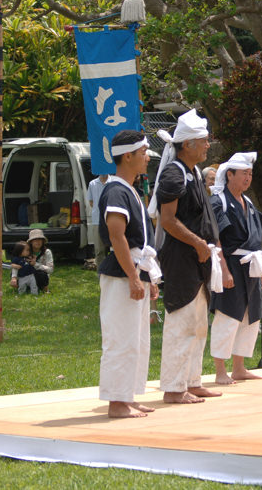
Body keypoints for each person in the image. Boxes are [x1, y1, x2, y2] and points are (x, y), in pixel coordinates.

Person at [148, 110, 227, 404]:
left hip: (199, 257)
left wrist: (208, 247)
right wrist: (196, 242)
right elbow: (168, 220)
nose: (208, 145)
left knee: (198, 322)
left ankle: (192, 381)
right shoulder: (174, 174)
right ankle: (173, 387)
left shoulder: (193, 172)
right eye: (204, 141)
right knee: (182, 321)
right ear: (188, 144)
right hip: (181, 257)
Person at [97, 130, 161, 418]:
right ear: (127, 156)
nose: (147, 158)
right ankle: (116, 402)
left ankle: (128, 396)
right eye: (143, 152)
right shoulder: (116, 190)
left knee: (138, 340)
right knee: (121, 339)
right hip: (122, 274)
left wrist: (147, 278)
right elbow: (116, 235)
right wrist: (133, 277)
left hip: (136, 270)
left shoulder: (130, 190)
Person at [209, 152, 262, 384]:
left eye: (250, 174)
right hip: (231, 263)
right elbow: (215, 238)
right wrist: (224, 270)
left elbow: (255, 238)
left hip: (251, 265)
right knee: (227, 316)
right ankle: (220, 370)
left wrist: (261, 271)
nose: (248, 178)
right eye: (244, 173)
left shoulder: (249, 203)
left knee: (249, 317)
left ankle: (239, 367)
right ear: (230, 175)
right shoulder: (218, 202)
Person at [87, 174, 109, 261]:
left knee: (115, 249)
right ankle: (100, 269)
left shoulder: (114, 182)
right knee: (99, 250)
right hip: (97, 220)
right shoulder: (92, 184)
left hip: (112, 219)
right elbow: (91, 202)